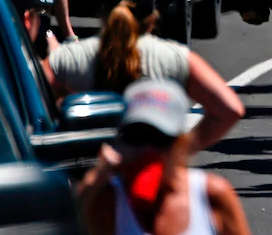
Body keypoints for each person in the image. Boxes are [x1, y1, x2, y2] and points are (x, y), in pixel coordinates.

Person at [50, 0, 245, 151]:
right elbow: (229, 109)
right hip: (152, 171)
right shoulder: (176, 57)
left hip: (85, 168)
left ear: (103, 15)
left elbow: (35, 108)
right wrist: (180, 151)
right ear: (152, 19)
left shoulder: (66, 58)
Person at [76, 79, 251, 235]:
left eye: (158, 139)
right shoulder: (110, 198)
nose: (146, 148)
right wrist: (98, 175)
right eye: (135, 137)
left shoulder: (210, 196)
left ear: (180, 142)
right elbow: (67, 223)